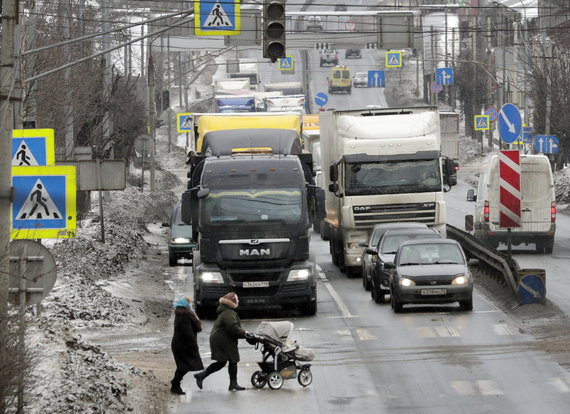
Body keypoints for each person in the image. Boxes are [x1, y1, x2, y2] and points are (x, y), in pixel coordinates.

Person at [194, 292, 248, 391]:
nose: (238, 301)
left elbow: (233, 328)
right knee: (232, 360)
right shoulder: (229, 313)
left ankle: (202, 376)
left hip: (222, 339)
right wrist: (245, 334)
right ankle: (232, 383)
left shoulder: (227, 311)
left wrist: (244, 334)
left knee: (225, 361)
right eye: (237, 299)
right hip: (223, 340)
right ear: (232, 302)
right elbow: (234, 328)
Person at [170, 296, 204, 395]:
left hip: (182, 345)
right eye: (189, 303)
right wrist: (194, 345)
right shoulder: (183, 315)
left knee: (184, 366)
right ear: (185, 304)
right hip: (182, 345)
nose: (191, 305)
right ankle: (175, 384)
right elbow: (187, 332)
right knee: (184, 366)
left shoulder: (183, 314)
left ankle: (175, 384)